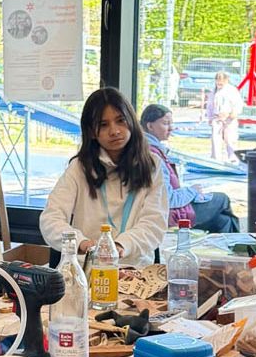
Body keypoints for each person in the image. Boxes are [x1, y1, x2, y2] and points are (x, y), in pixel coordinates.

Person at [40, 87, 169, 267]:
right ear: (92, 132)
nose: (115, 131)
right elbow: (51, 220)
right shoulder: (79, 168)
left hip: (134, 271)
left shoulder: (152, 165)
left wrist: (121, 245)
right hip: (88, 271)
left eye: (120, 121)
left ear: (131, 121)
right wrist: (82, 243)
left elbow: (154, 223)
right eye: (104, 125)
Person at [140, 104, 239, 233]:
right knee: (222, 199)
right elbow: (168, 199)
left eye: (171, 123)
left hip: (164, 210)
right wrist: (192, 191)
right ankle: (240, 246)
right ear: (150, 126)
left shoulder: (149, 149)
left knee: (223, 221)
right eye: (166, 123)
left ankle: (232, 247)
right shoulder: (152, 155)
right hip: (165, 214)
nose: (171, 128)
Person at [207, 71, 243, 164]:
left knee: (230, 139)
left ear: (226, 80)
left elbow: (238, 104)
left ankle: (233, 158)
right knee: (216, 139)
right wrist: (210, 117)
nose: (220, 83)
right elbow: (210, 105)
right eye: (218, 80)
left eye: (222, 81)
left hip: (229, 118)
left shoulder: (232, 90)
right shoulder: (214, 91)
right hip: (217, 118)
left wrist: (234, 113)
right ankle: (216, 158)